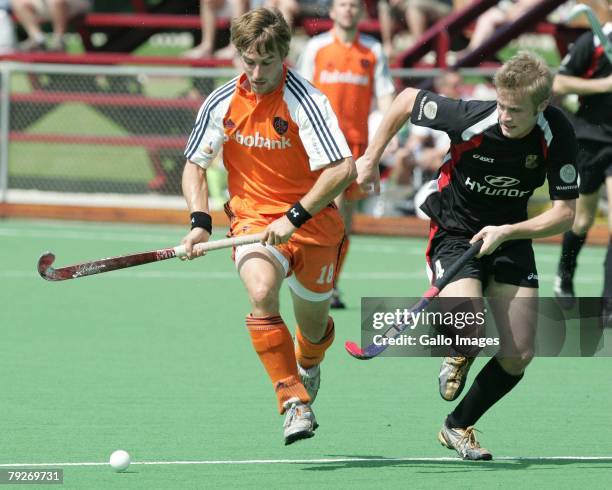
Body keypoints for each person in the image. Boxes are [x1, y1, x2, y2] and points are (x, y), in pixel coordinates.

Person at [356, 51, 578, 460]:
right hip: (455, 231)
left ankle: (457, 427)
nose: (506, 116)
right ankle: (460, 346)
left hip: (509, 234)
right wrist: (371, 159)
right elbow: (406, 99)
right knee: (469, 325)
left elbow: (565, 215)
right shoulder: (471, 117)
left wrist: (509, 231)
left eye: (516, 110)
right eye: (502, 105)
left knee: (520, 353)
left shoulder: (556, 132)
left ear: (542, 106)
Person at [181, 7, 356, 445]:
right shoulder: (222, 101)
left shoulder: (307, 100)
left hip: (313, 223)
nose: (257, 73)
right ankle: (293, 402)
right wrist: (200, 222)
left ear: (284, 56)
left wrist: (293, 216)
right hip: (253, 220)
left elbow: (342, 170)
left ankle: (309, 364)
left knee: (313, 332)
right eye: (249, 61)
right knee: (261, 291)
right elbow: (193, 166)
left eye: (267, 62)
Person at [296, 0, 395, 308]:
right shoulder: (317, 47)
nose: (348, 10)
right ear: (333, 11)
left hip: (357, 147)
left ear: (361, 12)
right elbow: (299, 91)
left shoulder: (372, 50)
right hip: (322, 147)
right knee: (328, 216)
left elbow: (386, 95)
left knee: (344, 224)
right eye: (343, 4)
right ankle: (319, 281)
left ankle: (330, 282)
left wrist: (388, 136)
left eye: (354, 5)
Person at [553, 0, 612, 325]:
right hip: (591, 137)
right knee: (583, 220)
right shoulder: (591, 42)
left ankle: (608, 303)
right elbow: (559, 82)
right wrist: (604, 85)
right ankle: (565, 271)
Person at [10, 0, 91, 52]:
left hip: (76, 3)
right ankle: (37, 39)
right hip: (47, 4)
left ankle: (59, 41)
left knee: (57, 1)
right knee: (18, 1)